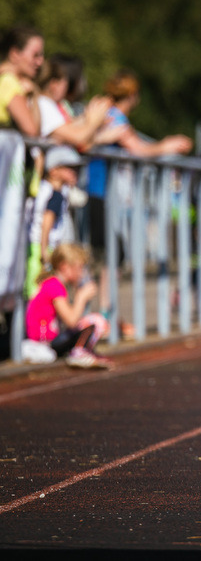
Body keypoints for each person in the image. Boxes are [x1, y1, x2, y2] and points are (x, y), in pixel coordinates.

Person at [85, 69, 193, 335]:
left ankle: (103, 316)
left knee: (108, 257)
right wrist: (168, 145)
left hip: (100, 193)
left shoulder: (105, 112)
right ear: (133, 96)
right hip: (101, 193)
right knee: (109, 256)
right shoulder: (114, 117)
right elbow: (139, 149)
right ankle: (100, 318)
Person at [1, 25, 43, 311]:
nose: (40, 62)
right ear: (15, 54)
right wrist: (34, 98)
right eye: (35, 55)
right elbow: (32, 130)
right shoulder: (10, 83)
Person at [24, 243, 111, 369]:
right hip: (44, 343)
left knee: (87, 324)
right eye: (80, 268)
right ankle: (79, 352)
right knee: (96, 321)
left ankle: (81, 350)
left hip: (45, 340)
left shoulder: (52, 284)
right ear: (65, 267)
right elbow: (71, 321)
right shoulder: (54, 286)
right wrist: (81, 297)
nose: (82, 273)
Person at [24, 146, 84, 299]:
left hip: (35, 245)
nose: (74, 173)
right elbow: (47, 221)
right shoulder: (55, 194)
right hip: (44, 247)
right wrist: (45, 251)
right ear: (54, 170)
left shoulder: (42, 188)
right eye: (69, 168)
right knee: (38, 291)